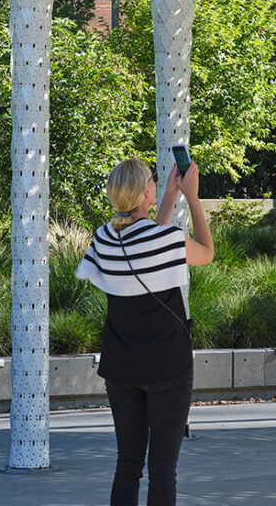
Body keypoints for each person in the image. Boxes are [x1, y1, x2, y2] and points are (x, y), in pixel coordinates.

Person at [75, 155, 214, 506]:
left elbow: (147, 245)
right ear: (144, 193)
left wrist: (169, 196)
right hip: (167, 364)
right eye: (151, 181)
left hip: (121, 366)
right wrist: (192, 197)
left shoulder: (103, 239)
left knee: (128, 465)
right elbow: (206, 253)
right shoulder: (166, 238)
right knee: (163, 469)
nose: (155, 183)